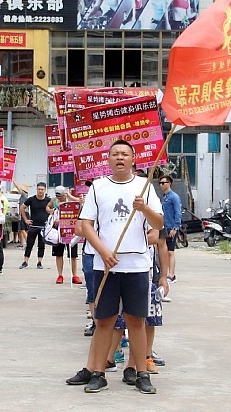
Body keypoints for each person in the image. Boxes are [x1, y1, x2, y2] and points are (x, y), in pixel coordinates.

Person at [78, 139, 165, 394]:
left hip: (137, 265)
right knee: (104, 320)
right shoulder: (98, 187)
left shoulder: (144, 186)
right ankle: (98, 373)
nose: (119, 158)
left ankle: (141, 373)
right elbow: (86, 225)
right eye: (115, 154)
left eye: (124, 154)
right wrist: (103, 252)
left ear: (133, 159)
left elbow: (158, 223)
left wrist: (143, 208)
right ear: (108, 159)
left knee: (136, 320)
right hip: (105, 265)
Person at [48, 186, 82, 285]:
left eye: (61, 196)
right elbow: (48, 207)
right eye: (58, 196)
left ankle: (75, 275)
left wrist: (70, 196)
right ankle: (60, 275)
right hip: (58, 231)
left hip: (70, 230)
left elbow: (80, 202)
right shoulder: (54, 200)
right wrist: (50, 211)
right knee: (59, 254)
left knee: (73, 255)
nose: (60, 198)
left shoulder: (70, 200)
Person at [19, 182, 52, 269]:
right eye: (39, 189)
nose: (40, 191)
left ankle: (39, 262)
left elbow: (54, 209)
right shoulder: (31, 199)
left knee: (41, 245)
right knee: (29, 244)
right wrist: (26, 220)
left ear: (45, 190)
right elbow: (22, 207)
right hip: (33, 226)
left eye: (42, 189)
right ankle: (25, 261)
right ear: (36, 189)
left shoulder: (48, 200)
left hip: (43, 227)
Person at [158, 175, 182, 286]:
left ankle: (172, 275)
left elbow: (178, 212)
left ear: (169, 183)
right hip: (164, 227)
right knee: (165, 251)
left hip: (171, 227)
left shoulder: (174, 197)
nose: (161, 185)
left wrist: (175, 228)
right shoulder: (165, 197)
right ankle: (166, 273)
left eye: (164, 183)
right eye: (160, 183)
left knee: (170, 251)